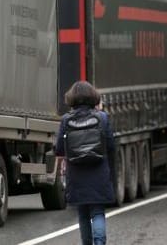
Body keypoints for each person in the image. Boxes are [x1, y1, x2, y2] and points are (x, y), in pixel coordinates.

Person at [55, 81, 115, 245]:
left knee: (82, 213)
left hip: (76, 174)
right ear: (93, 97)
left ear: (72, 98)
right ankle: (100, 242)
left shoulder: (66, 120)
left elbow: (59, 148)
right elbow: (111, 145)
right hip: (98, 172)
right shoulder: (102, 118)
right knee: (97, 212)